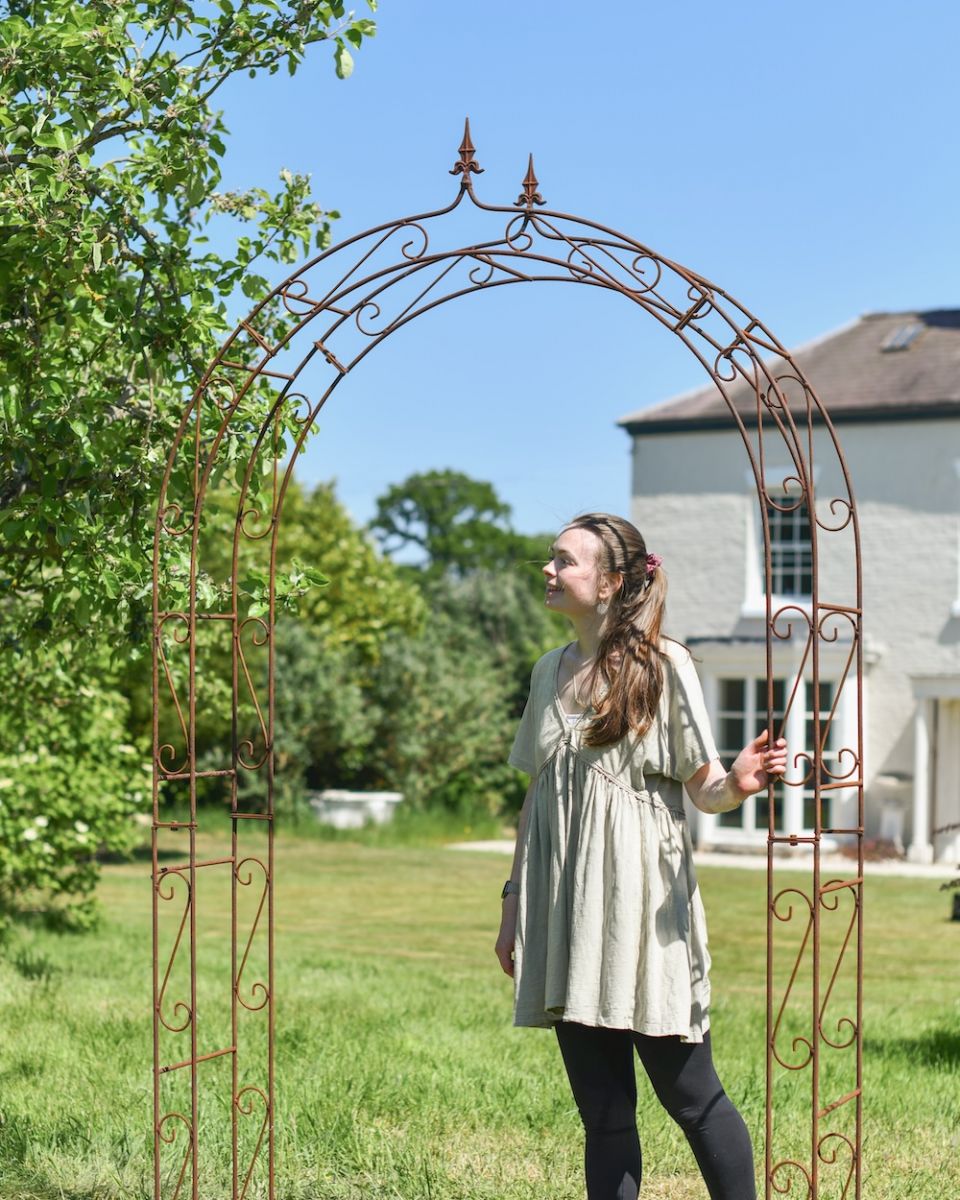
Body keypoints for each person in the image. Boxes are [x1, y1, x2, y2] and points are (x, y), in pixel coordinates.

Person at [495, 513, 787, 1200]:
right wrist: (513, 906)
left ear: (612, 581)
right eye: (551, 557)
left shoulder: (664, 665)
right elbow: (537, 796)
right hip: (565, 912)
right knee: (602, 1114)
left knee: (690, 1096)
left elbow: (704, 788)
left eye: (564, 560)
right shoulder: (547, 672)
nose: (549, 570)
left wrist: (738, 782)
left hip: (641, 913)